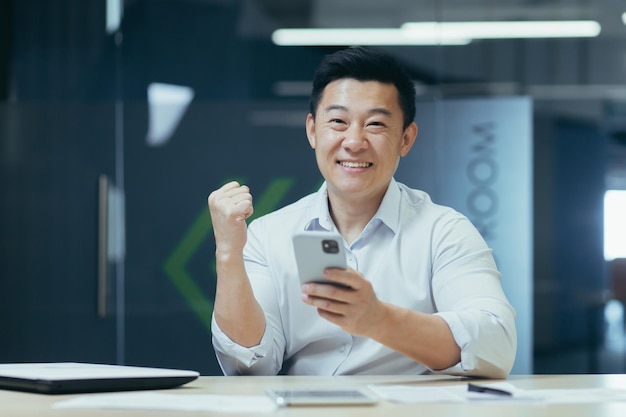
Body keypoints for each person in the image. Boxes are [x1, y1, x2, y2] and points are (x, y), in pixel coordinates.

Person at [207, 46, 517, 377]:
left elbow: (495, 345)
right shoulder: (270, 235)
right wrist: (228, 253)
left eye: (375, 124)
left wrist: (379, 320)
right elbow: (250, 363)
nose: (354, 142)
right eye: (338, 121)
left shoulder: (443, 231)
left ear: (406, 138)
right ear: (312, 130)